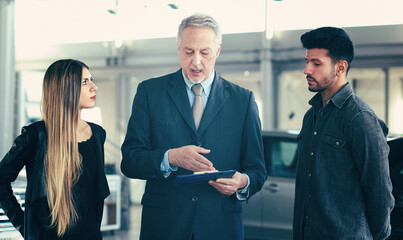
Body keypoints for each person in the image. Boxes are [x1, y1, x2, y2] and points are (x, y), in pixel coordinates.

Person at [121, 13, 266, 240]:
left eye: (205, 52)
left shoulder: (243, 101)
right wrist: (171, 158)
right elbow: (130, 160)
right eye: (189, 52)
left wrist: (242, 182)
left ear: (217, 50)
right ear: (178, 48)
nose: (196, 61)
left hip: (220, 227)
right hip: (164, 227)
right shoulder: (150, 93)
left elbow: (257, 170)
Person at [293, 27, 394, 240]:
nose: (307, 70)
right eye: (307, 61)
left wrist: (371, 235)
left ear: (340, 67)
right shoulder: (310, 116)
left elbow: (380, 193)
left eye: (316, 63)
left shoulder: (360, 118)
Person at [0, 59, 110, 240]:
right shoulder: (36, 136)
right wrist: (26, 226)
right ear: (66, 89)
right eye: (85, 82)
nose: (94, 87)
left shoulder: (97, 134)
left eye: (91, 79)